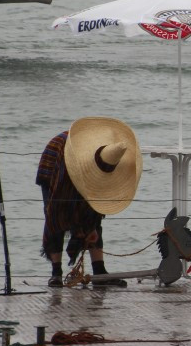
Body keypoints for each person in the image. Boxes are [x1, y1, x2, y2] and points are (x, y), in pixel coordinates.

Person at [36, 117, 143, 288]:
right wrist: (82, 229)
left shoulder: (109, 157)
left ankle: (99, 271)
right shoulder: (64, 163)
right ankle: (56, 273)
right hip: (57, 167)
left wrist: (89, 228)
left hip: (81, 166)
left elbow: (92, 212)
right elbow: (56, 215)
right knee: (56, 216)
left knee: (93, 214)